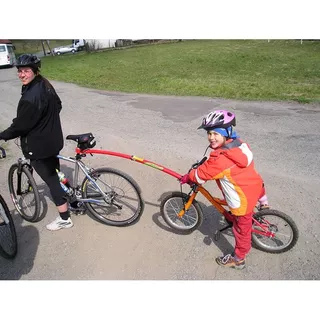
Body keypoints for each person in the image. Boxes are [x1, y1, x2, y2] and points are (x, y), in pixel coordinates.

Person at [179, 110, 270, 269]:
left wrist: (188, 177)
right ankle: (264, 204)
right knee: (256, 185)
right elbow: (215, 166)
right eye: (209, 133)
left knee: (241, 229)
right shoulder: (240, 145)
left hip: (242, 199)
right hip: (255, 186)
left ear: (227, 133)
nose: (211, 137)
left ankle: (239, 259)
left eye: (216, 133)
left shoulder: (220, 159)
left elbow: (201, 175)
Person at [0, 54, 74, 231]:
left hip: (39, 147)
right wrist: (46, 121)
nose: (22, 74)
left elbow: (19, 126)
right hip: (53, 140)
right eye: (19, 71)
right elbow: (58, 105)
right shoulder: (44, 84)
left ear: (34, 71)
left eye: (26, 71)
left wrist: (2, 136)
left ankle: (65, 218)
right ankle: (71, 193)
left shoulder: (30, 97)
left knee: (52, 181)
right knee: (56, 171)